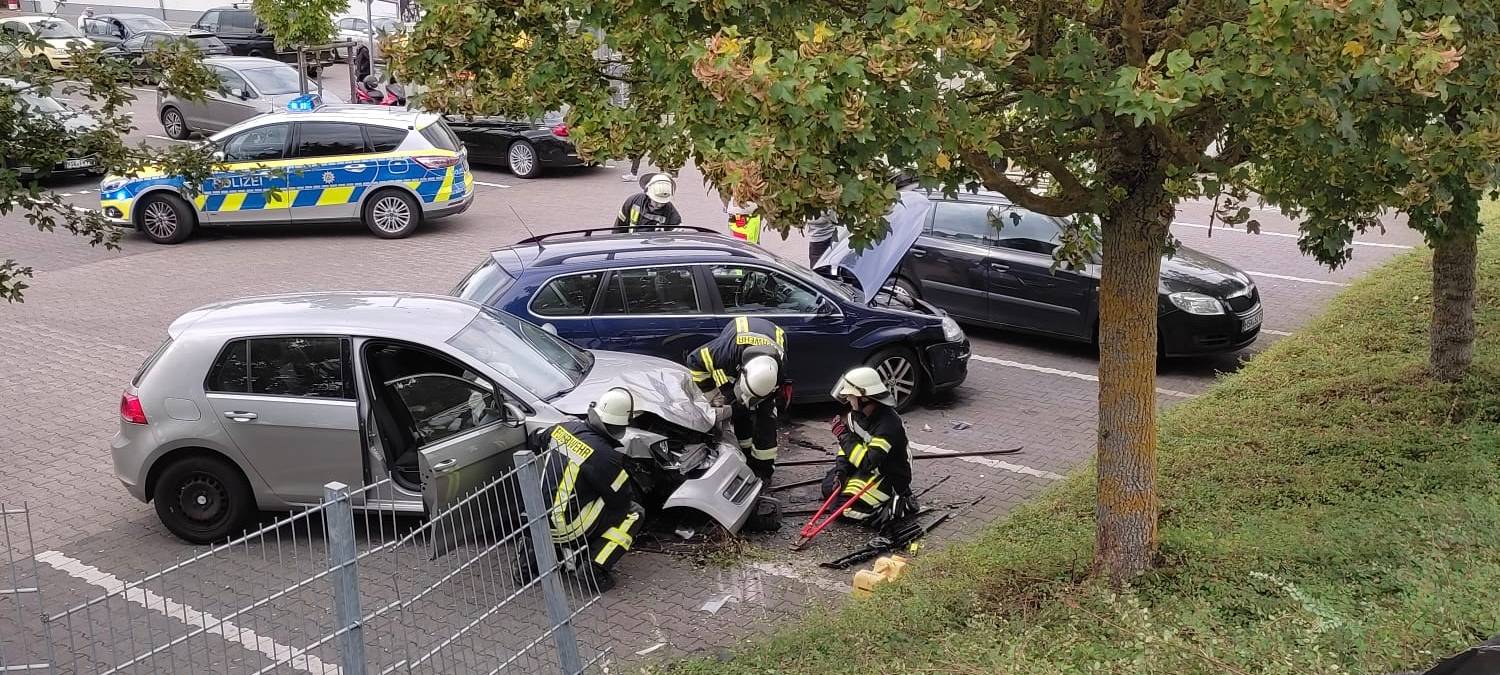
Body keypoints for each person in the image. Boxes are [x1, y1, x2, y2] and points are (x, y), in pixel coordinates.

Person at [529, 387, 646, 593]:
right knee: (634, 512)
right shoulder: (606, 457)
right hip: (568, 526)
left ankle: (533, 558)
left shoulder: (564, 428)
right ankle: (595, 566)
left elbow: (535, 439)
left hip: (537, 520)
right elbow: (620, 501)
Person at [685, 317, 787, 479]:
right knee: (737, 409)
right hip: (735, 359)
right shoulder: (723, 354)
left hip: (763, 369)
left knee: (766, 418)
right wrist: (714, 396)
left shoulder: (777, 368)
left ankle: (764, 468)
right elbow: (694, 362)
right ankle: (744, 453)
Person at [822, 366, 917, 530]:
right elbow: (847, 451)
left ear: (864, 398)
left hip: (888, 474)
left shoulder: (888, 425)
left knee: (842, 510)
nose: (847, 399)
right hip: (867, 469)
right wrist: (841, 472)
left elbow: (867, 462)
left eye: (850, 395)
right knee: (828, 488)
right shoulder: (856, 416)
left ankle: (897, 504)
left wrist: (844, 437)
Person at [613, 172, 682, 233]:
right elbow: (619, 227)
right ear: (648, 194)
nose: (659, 205)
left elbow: (676, 234)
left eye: (663, 203)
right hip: (633, 242)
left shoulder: (670, 211)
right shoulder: (633, 201)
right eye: (656, 201)